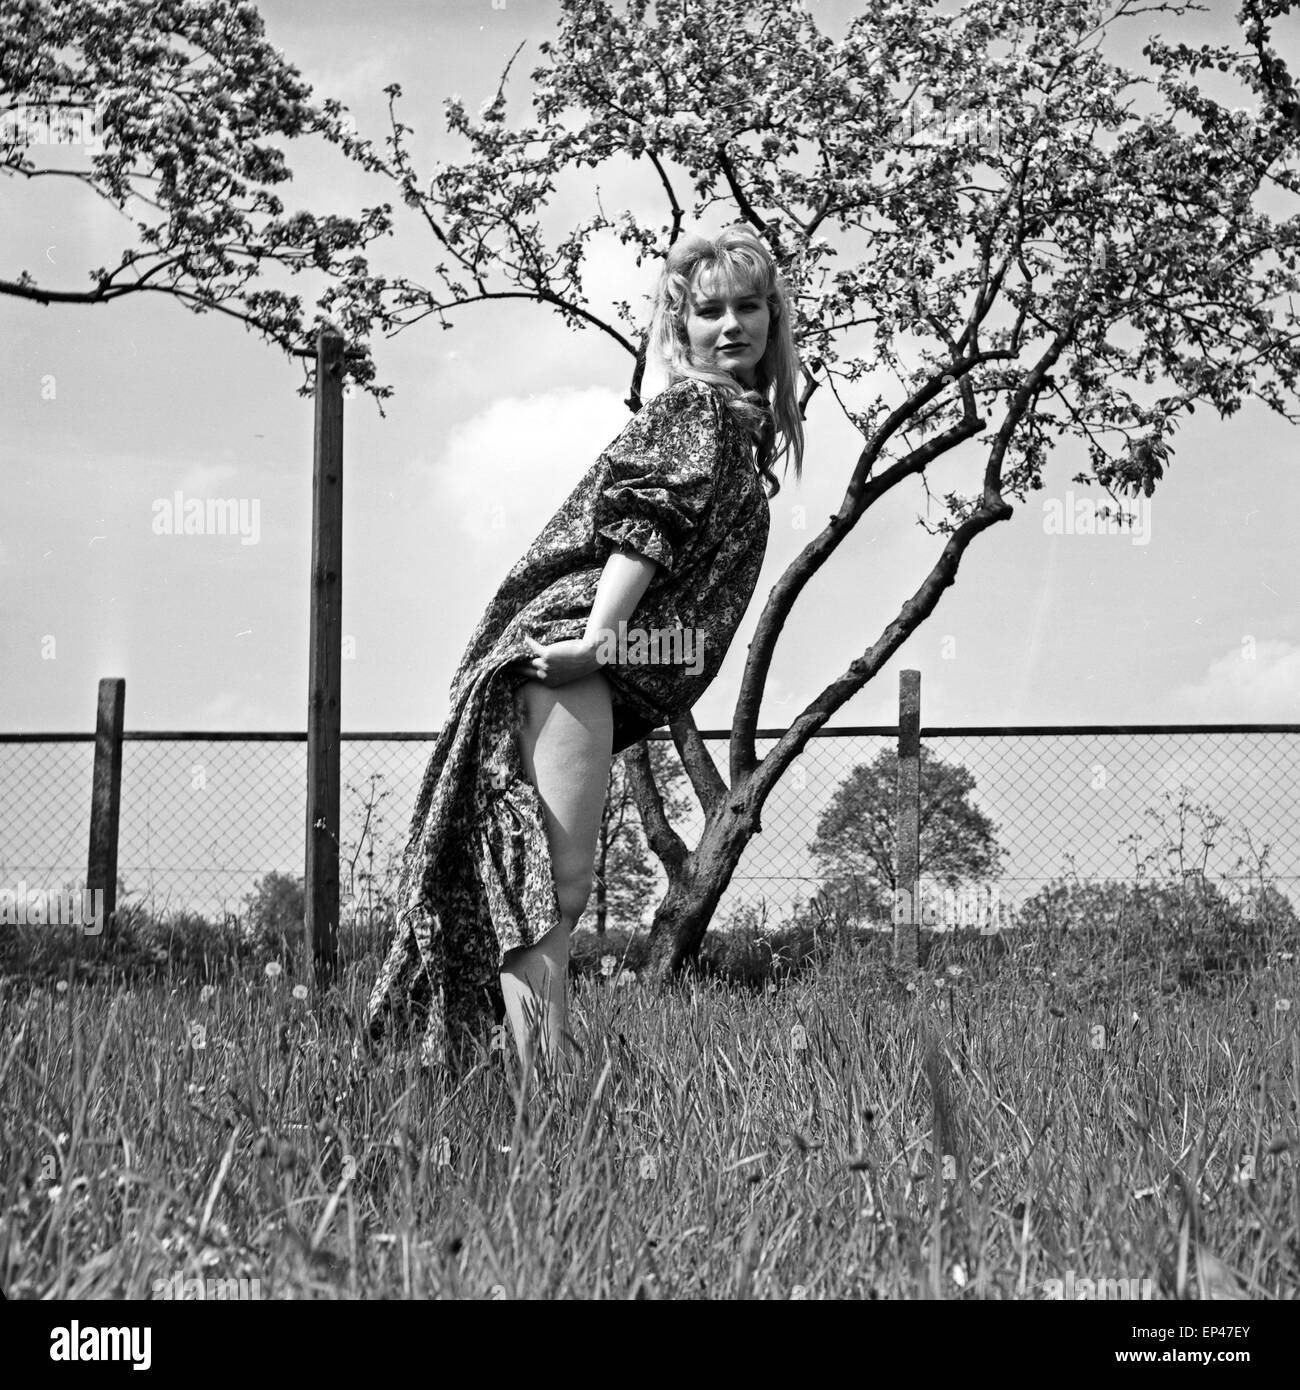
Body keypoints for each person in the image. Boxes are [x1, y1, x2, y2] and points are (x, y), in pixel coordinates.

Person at [364, 224, 805, 1080]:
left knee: (542, 889)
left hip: (584, 656)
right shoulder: (695, 408)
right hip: (572, 651)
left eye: (749, 306)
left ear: (773, 319)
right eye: (707, 311)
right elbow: (642, 530)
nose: (731, 325)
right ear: (680, 332)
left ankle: (513, 1075)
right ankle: (543, 1091)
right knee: (556, 893)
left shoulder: (731, 426)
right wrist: (594, 646)